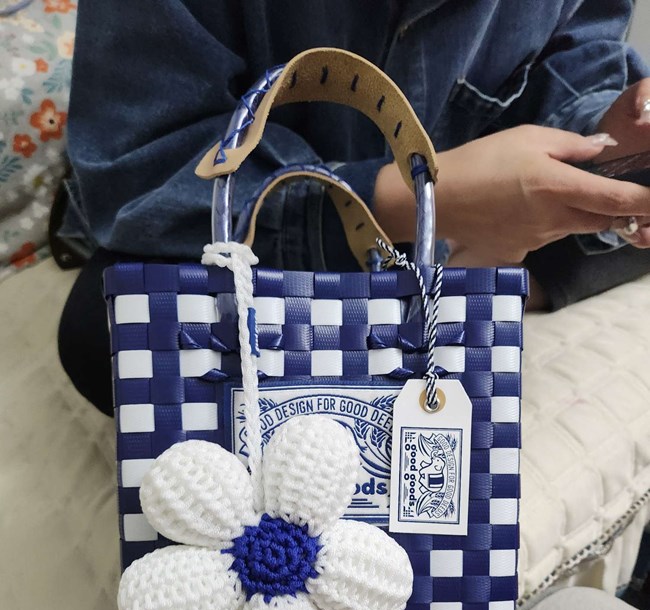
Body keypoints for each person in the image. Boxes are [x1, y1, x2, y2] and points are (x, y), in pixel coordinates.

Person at [58, 0, 650, 415]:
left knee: (629, 222)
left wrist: (610, 145)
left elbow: (579, 65)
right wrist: (407, 202)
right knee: (109, 331)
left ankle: (456, 276)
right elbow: (140, 165)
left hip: (453, 211)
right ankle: (457, 280)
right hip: (248, 222)